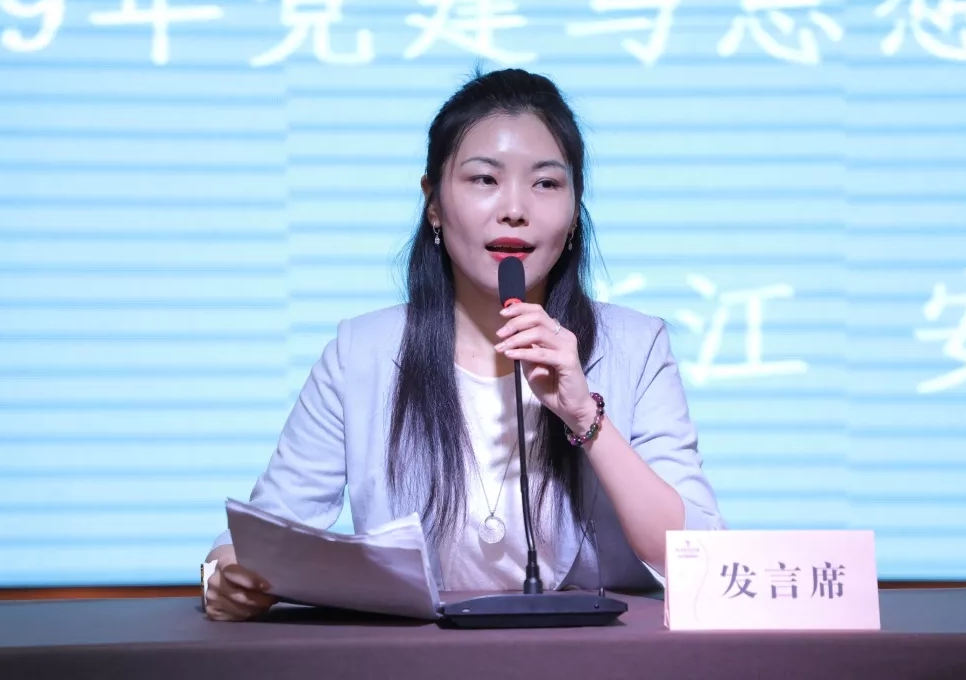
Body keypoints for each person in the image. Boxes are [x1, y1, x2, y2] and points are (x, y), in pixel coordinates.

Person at [202, 68, 725, 622]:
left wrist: (584, 417)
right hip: (418, 657)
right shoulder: (362, 353)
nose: (515, 208)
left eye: (546, 184)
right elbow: (257, 537)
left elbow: (699, 558)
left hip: (591, 655)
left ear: (575, 211)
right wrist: (224, 574)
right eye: (484, 179)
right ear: (432, 202)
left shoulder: (636, 347)